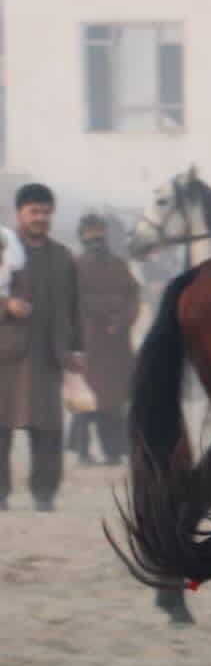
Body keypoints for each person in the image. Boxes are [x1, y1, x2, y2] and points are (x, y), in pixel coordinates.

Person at [0, 184, 83, 511]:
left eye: (46, 212)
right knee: (1, 427)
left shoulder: (63, 256)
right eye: (34, 211)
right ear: (18, 213)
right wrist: (7, 306)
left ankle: (44, 493)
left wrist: (78, 349)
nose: (41, 218)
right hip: (6, 354)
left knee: (48, 430)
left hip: (49, 355)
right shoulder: (4, 250)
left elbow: (76, 308)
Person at [69, 212, 140, 465]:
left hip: (116, 345)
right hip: (88, 342)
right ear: (83, 237)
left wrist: (122, 320)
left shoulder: (119, 265)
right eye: (91, 235)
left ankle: (113, 451)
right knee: (86, 400)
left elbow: (133, 295)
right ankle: (83, 450)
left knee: (115, 401)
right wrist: (108, 306)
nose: (96, 240)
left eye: (99, 235)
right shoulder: (74, 266)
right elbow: (73, 300)